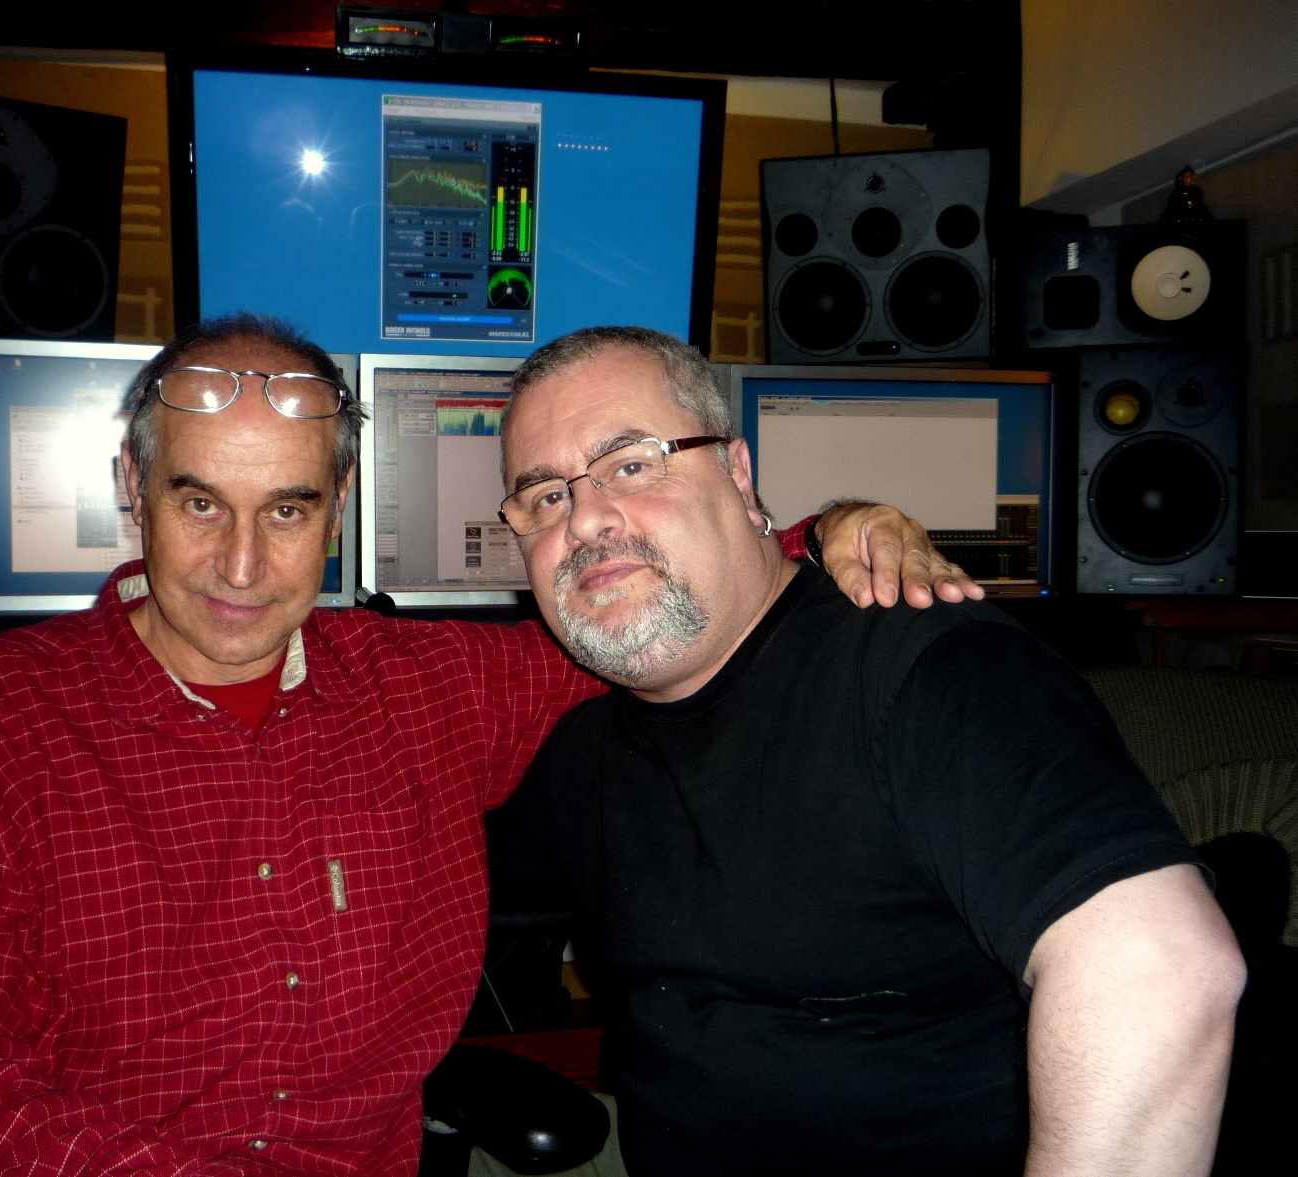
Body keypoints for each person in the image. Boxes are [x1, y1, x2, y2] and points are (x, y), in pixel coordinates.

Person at [0, 314, 975, 1176]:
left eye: (287, 509)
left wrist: (826, 527)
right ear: (133, 487)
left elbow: (656, 601)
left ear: (339, 506)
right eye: (200, 503)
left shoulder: (423, 689)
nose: (242, 565)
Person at [488, 326, 1248, 1177]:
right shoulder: (581, 739)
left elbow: (1156, 968)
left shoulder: (928, 664)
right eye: (543, 497)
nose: (585, 518)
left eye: (631, 463)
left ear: (737, 474)